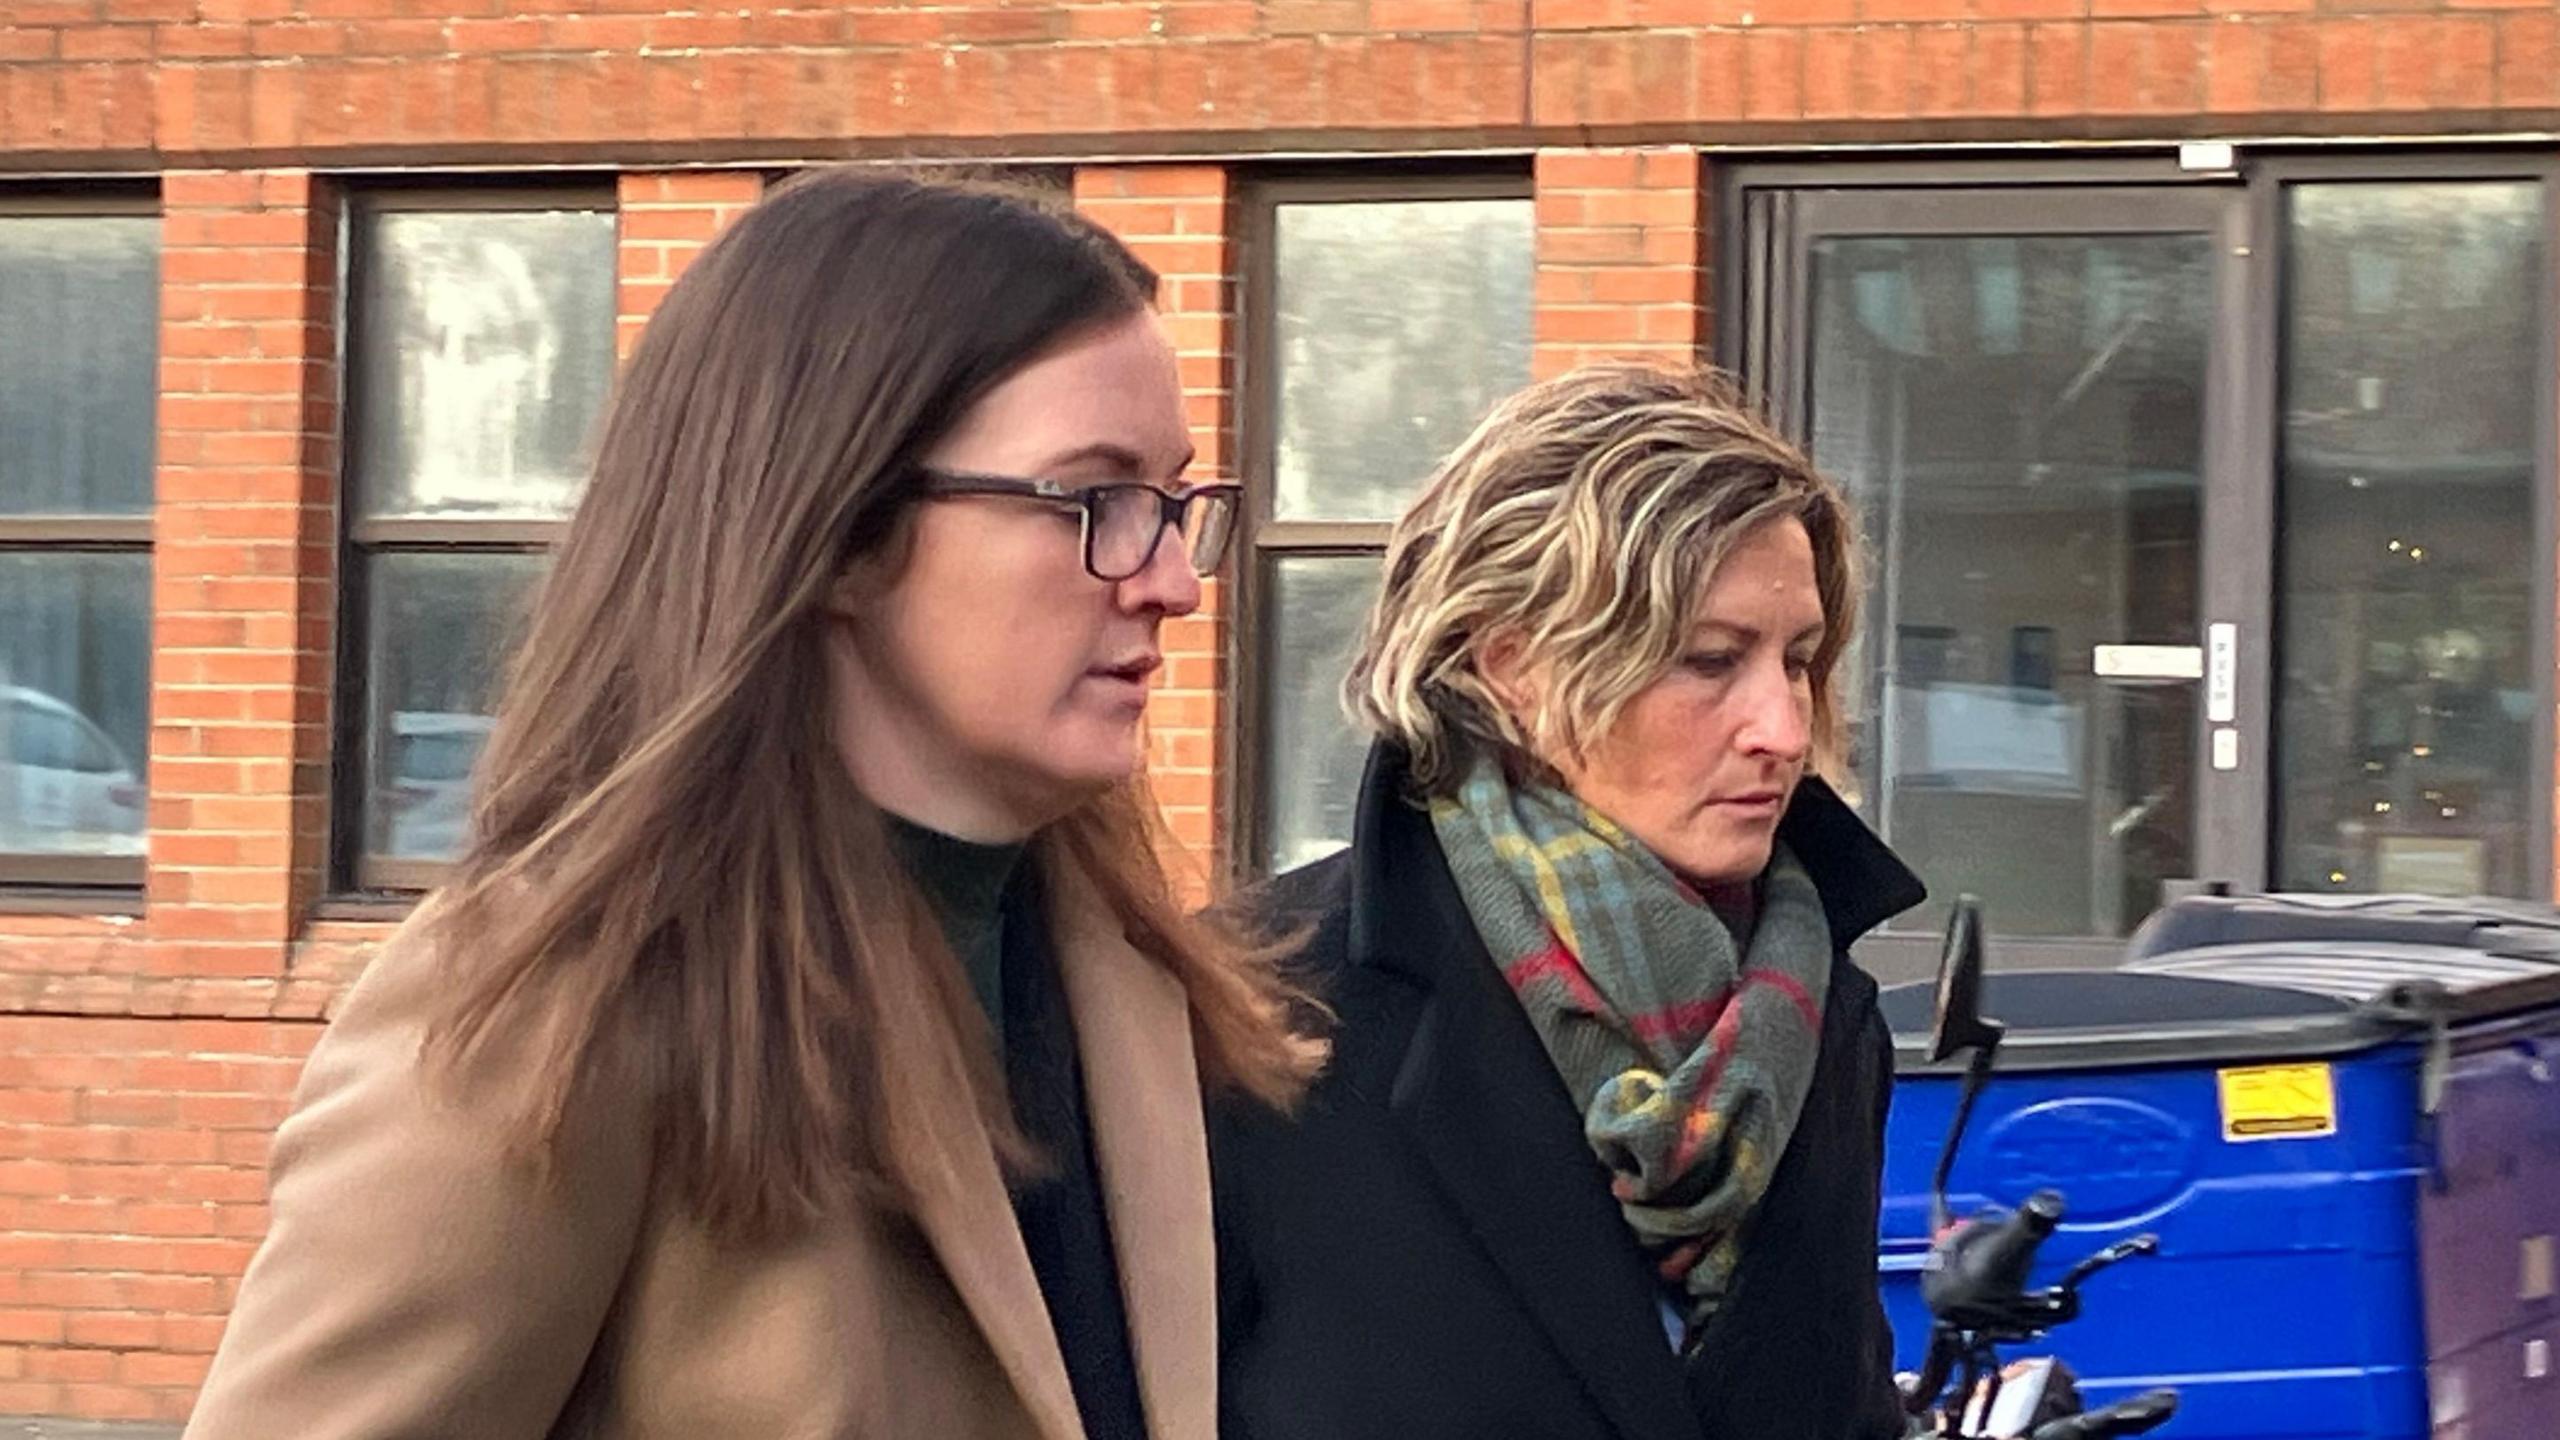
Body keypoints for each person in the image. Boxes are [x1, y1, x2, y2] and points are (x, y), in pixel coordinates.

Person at [181, 169, 1318, 1440]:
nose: (1171, 578)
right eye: (1095, 501)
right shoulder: (549, 1011)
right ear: (835, 530)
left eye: (1175, 505)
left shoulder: (1134, 983)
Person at [1212, 362, 1927, 1440]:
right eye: (1709, 660)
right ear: (1514, 668)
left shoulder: (1825, 1013)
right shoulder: (1252, 1009)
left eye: (1801, 660)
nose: (1781, 728)